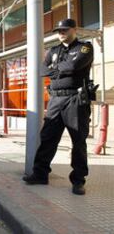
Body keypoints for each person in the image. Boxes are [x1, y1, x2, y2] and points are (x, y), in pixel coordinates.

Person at [23, 18, 94, 195]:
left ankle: (78, 181)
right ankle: (40, 174)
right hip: (55, 101)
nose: (61, 33)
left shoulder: (84, 47)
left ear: (74, 29)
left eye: (65, 30)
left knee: (78, 141)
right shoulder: (54, 50)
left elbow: (75, 65)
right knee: (47, 137)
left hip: (75, 99)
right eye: (59, 31)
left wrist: (55, 69)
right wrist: (61, 69)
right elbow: (42, 70)